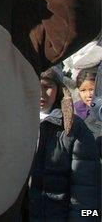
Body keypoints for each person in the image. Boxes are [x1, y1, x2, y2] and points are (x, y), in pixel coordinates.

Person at [28, 68, 100, 220]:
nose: (41, 93)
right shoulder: (13, 123)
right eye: (35, 85)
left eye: (47, 86)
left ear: (60, 89)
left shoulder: (75, 127)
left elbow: (86, 189)